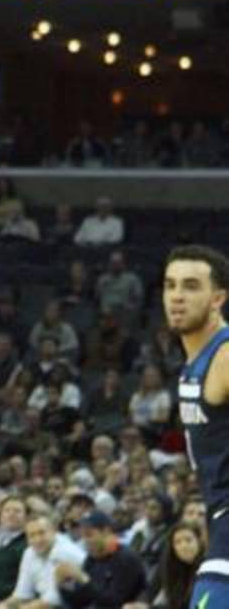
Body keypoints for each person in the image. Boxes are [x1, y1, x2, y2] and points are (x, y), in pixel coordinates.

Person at [164, 244, 229, 607]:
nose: (176, 296)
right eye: (170, 285)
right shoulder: (196, 362)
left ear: (218, 298)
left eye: (190, 286)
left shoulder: (224, 357)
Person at [55, 510, 147, 606]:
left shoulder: (126, 558)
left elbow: (114, 602)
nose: (85, 541)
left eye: (89, 535)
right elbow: (80, 601)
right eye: (83, 536)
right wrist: (64, 584)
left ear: (106, 531)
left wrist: (83, 579)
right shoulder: (92, 559)